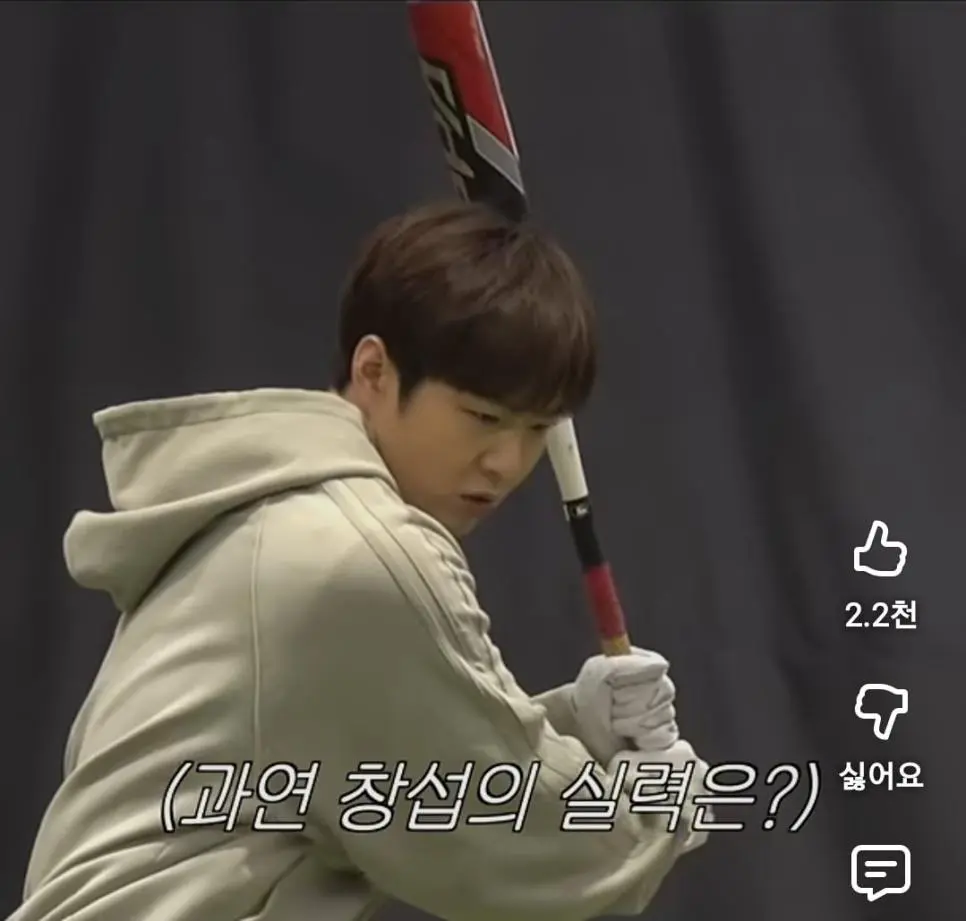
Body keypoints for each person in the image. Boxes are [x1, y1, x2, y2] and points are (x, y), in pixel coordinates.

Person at [10, 200, 711, 921]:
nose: (506, 462)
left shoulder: (268, 516)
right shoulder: (358, 557)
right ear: (373, 369)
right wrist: (655, 805)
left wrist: (576, 727)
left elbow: (385, 766)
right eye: (483, 416)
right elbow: (526, 848)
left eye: (537, 427)